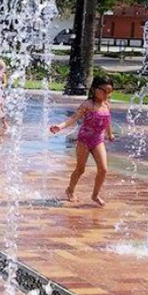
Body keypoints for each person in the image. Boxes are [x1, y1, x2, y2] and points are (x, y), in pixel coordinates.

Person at [49, 76, 115, 206]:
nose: (107, 94)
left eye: (110, 91)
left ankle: (95, 195)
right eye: (104, 91)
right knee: (80, 169)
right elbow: (73, 118)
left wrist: (110, 134)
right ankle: (70, 190)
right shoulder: (88, 105)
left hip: (98, 140)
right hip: (84, 140)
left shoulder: (106, 104)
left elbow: (107, 121)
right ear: (95, 89)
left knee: (103, 169)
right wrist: (60, 127)